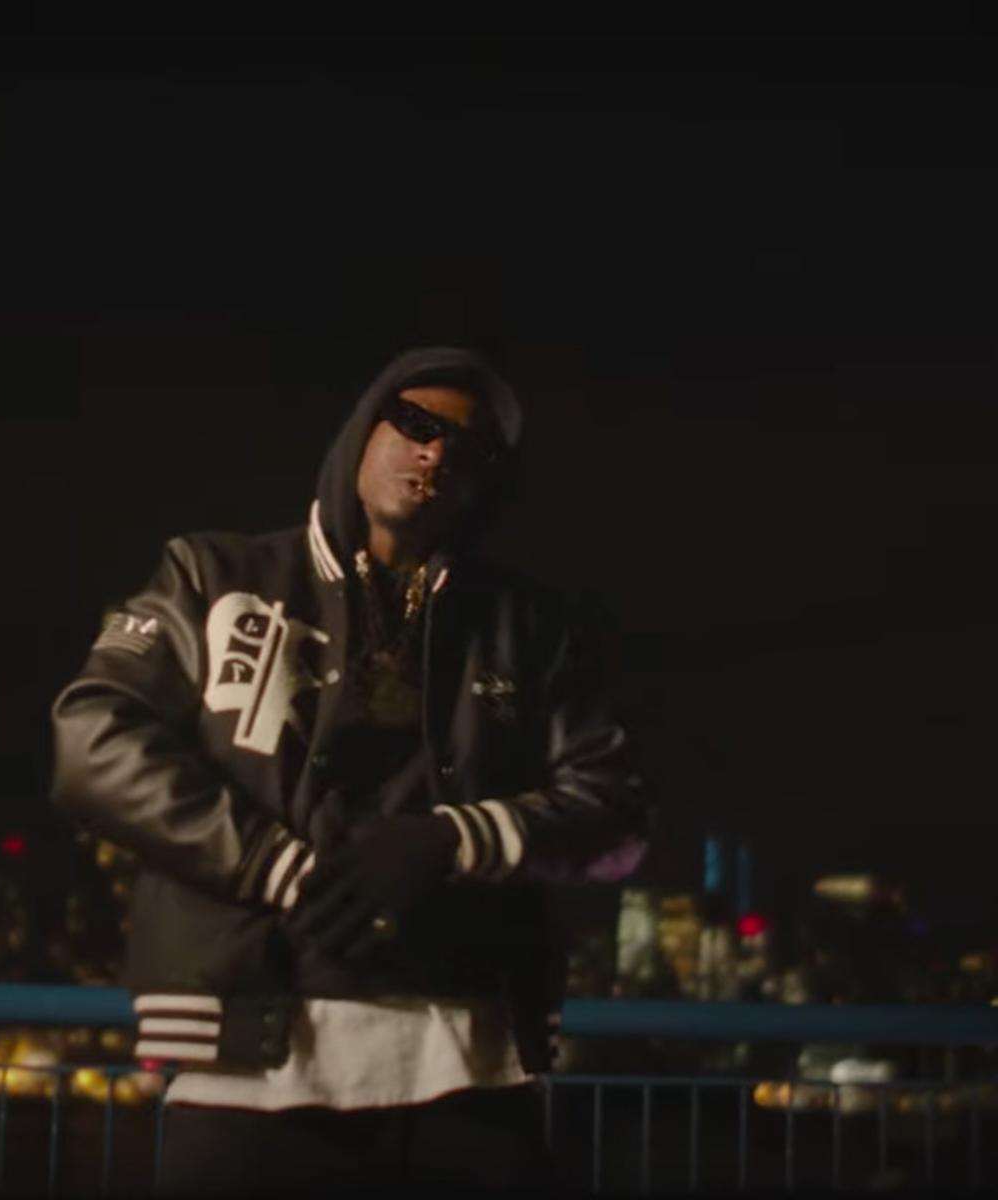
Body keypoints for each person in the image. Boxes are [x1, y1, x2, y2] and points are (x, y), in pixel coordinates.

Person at [50, 346, 652, 1195]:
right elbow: (92, 741)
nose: (434, 451)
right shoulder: (212, 576)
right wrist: (278, 868)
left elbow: (617, 808)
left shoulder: (531, 626)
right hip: (248, 1067)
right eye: (414, 422)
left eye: (468, 446)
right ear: (361, 429)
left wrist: (448, 842)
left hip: (473, 1068)